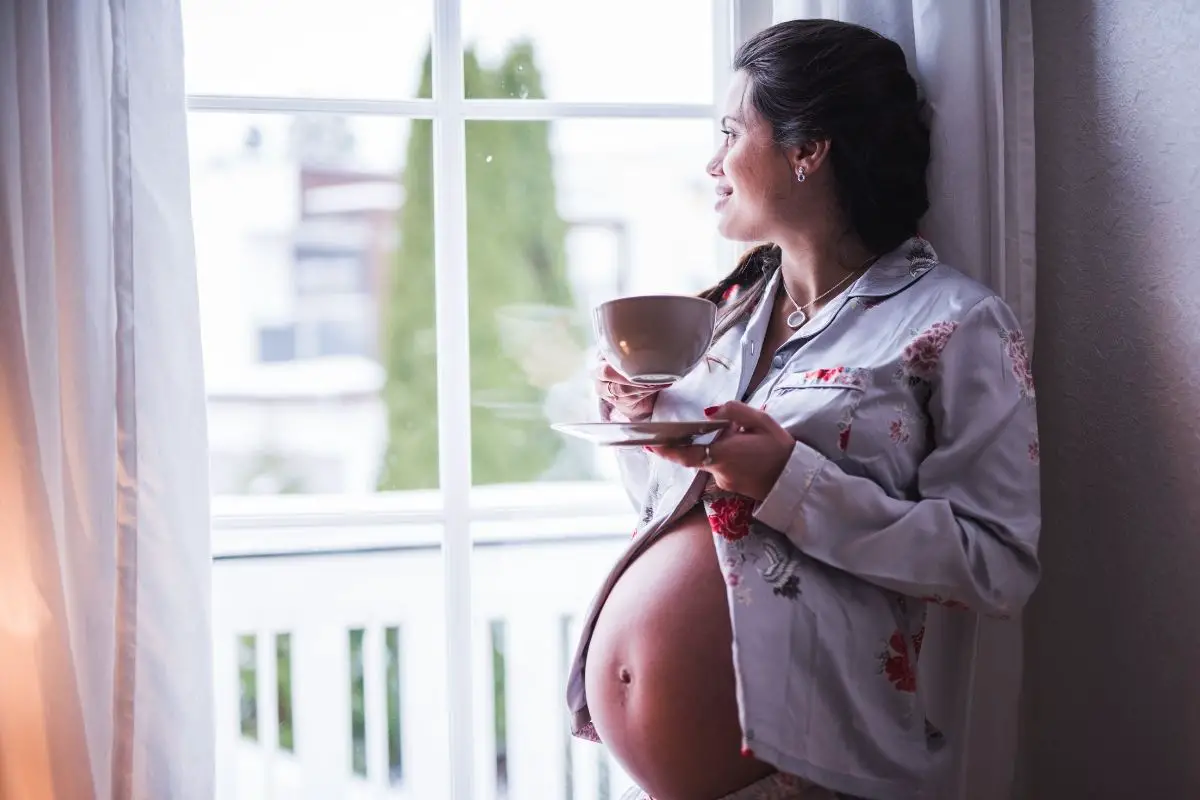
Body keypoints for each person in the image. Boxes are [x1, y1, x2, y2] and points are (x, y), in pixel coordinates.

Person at [564, 18, 1041, 800]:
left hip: (811, 777)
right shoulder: (716, 317)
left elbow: (996, 569)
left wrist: (788, 477)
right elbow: (677, 519)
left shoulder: (954, 323)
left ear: (807, 150)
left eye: (729, 132)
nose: (712, 163)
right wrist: (640, 422)